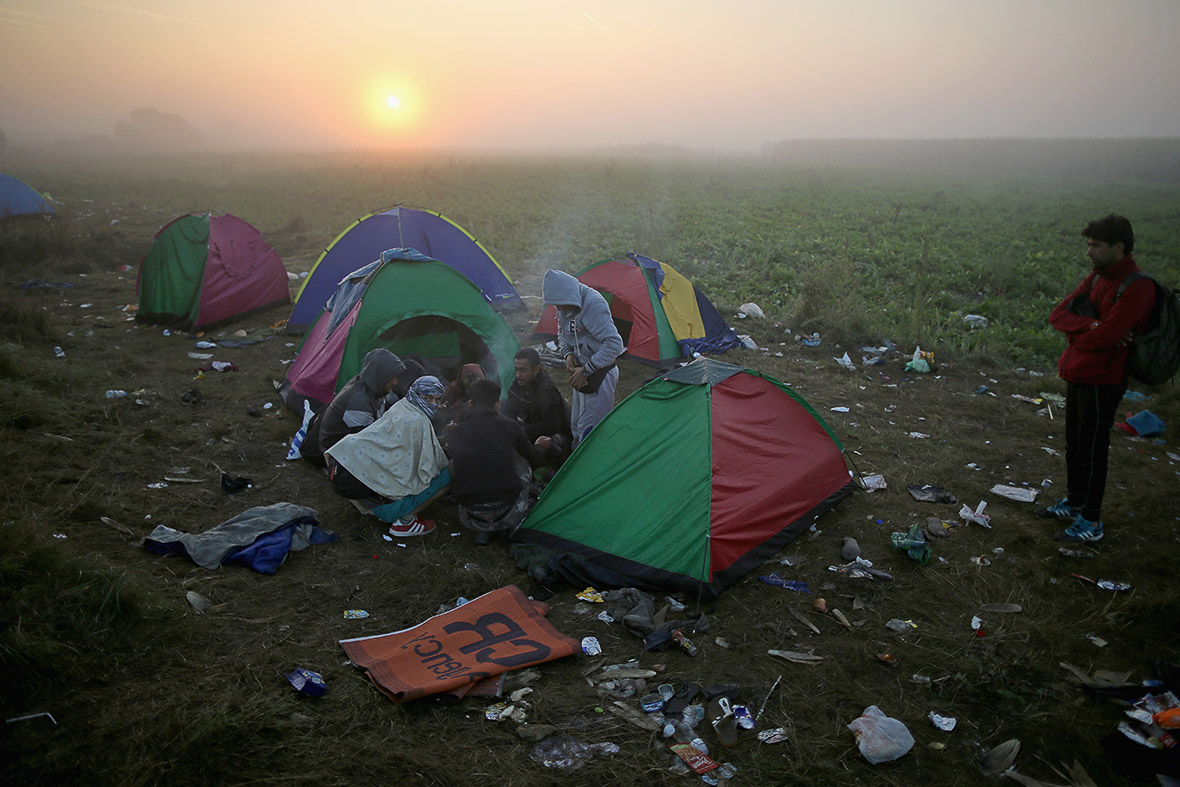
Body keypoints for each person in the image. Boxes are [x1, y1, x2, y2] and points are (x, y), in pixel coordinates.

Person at [1036, 214, 1155, 543]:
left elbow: (1109, 338)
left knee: (1094, 447)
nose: (1089, 252)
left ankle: (1091, 521)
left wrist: (1082, 334)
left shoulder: (1138, 287)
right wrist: (1090, 326)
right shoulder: (1097, 277)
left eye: (1096, 246)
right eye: (1088, 245)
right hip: (1078, 371)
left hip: (1104, 379)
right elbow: (1057, 314)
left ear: (1118, 247)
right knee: (1074, 443)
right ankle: (1074, 503)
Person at [325, 376, 451, 537]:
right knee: (446, 475)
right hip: (381, 505)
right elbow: (427, 468)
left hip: (345, 463)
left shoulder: (403, 405)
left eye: (437, 399)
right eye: (427, 398)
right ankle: (405, 521)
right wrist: (448, 449)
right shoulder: (417, 421)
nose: (432, 404)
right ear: (415, 394)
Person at [446, 378, 546, 545]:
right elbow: (535, 457)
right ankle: (513, 521)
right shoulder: (510, 426)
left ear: (471, 403)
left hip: (470, 516)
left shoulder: (456, 432)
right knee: (522, 461)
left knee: (454, 463)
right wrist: (541, 447)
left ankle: (483, 532)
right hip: (507, 512)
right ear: (497, 404)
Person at [542, 269, 625, 445]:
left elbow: (614, 344)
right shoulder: (565, 304)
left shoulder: (592, 305)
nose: (559, 308)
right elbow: (562, 331)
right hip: (583, 370)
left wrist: (587, 370)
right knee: (577, 426)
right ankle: (575, 463)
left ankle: (590, 468)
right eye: (556, 304)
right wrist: (568, 353)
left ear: (568, 295)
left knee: (591, 431)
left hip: (599, 373)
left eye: (560, 304)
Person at [301, 348, 406, 468]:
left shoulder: (372, 386)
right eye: (392, 377)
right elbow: (368, 442)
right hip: (331, 454)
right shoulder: (359, 402)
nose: (396, 382)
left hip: (348, 442)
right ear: (380, 375)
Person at [501, 347, 573, 467]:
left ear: (536, 369)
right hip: (530, 427)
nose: (518, 375)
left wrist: (520, 433)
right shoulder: (520, 382)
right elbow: (509, 407)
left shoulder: (546, 390)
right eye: (516, 369)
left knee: (550, 440)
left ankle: (553, 467)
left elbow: (552, 426)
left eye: (523, 370)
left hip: (560, 437)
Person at [434, 363, 488, 440]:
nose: (472, 382)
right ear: (461, 379)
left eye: (476, 378)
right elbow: (442, 419)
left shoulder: (488, 393)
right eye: (469, 378)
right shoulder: (452, 393)